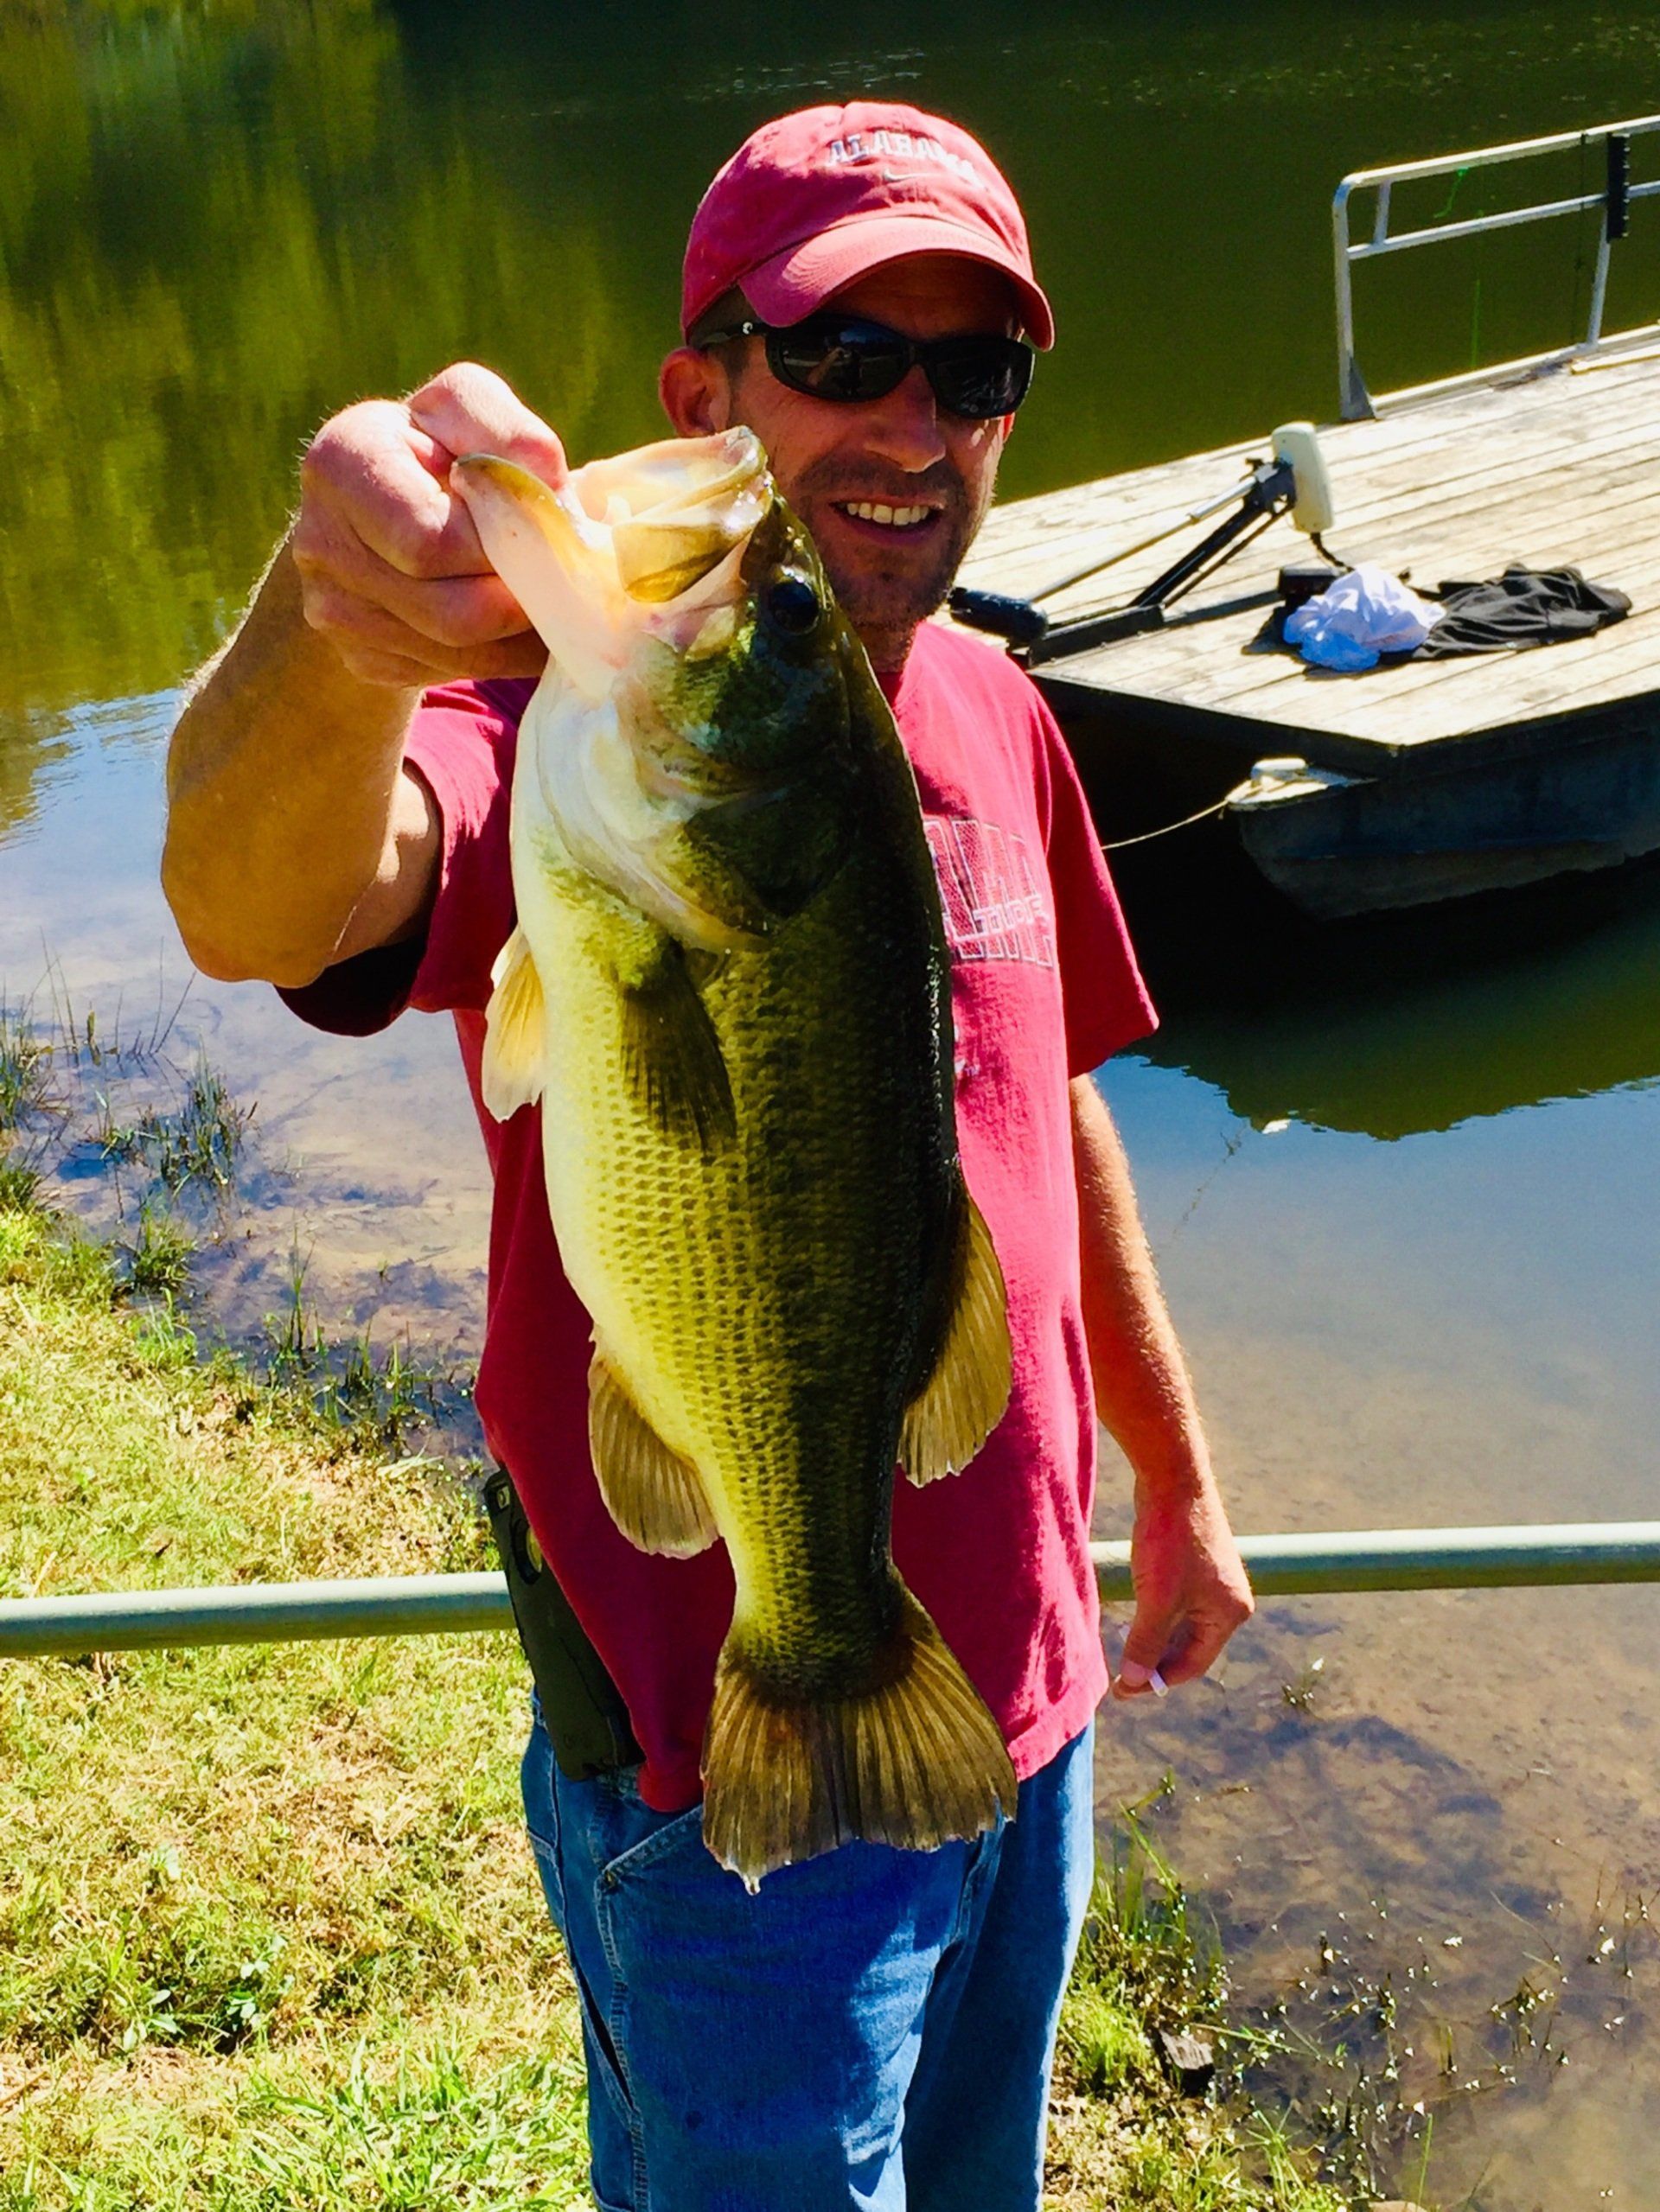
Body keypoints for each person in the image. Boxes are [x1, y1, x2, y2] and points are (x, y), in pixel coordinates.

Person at [163, 101, 1253, 2212]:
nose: (911, 421)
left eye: (973, 371)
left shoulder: (998, 714)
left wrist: (1178, 1468)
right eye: (842, 357)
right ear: (707, 393)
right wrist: (334, 633)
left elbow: (1059, 1102)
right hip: (717, 1746)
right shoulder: (569, 747)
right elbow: (255, 903)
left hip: (1020, 1700)